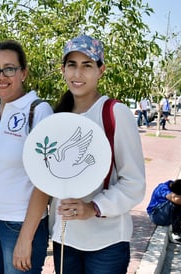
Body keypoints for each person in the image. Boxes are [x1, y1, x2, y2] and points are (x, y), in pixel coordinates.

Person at [51, 35, 146, 274]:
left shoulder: (115, 113)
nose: (78, 73)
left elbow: (134, 183)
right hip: (65, 239)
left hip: (107, 244)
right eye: (72, 65)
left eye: (87, 65)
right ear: (63, 70)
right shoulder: (57, 118)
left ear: (100, 70)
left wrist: (94, 207)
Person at [0, 40, 53, 273]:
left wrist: (25, 239)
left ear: (23, 72)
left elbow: (45, 181)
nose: (1, 76)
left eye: (9, 68)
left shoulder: (39, 110)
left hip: (19, 225)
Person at [147, 179, 181, 245]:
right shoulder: (163, 188)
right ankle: (176, 234)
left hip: (166, 215)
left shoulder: (175, 186)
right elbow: (175, 199)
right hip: (156, 216)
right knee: (175, 203)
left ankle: (177, 231)